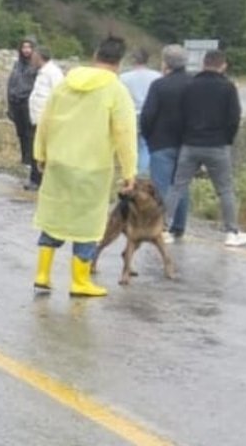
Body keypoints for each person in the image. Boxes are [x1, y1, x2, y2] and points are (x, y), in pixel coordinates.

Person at [32, 36, 138, 298]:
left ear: (95, 54)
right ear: (119, 62)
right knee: (88, 224)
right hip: (93, 167)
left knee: (54, 217)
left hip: (59, 162)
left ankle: (42, 275)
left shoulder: (66, 83)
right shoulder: (116, 90)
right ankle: (79, 281)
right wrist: (129, 171)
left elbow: (46, 119)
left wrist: (40, 153)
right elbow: (124, 132)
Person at [159, 50, 246, 247]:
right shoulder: (227, 87)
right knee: (224, 189)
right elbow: (234, 117)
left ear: (203, 64)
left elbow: (179, 115)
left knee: (177, 186)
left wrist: (184, 137)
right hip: (217, 144)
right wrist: (227, 140)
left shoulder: (189, 86)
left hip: (190, 144)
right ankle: (232, 233)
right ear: (222, 65)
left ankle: (163, 228)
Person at [141, 45, 191, 242]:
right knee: (181, 184)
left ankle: (162, 224)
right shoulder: (194, 84)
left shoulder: (159, 85)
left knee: (161, 185)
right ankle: (179, 225)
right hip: (187, 142)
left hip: (161, 141)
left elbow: (148, 115)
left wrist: (148, 136)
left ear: (165, 63)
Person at [26, 46, 64, 190]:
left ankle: (39, 180)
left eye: (34, 56)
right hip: (36, 119)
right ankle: (34, 178)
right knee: (35, 149)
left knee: (41, 151)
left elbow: (59, 95)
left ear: (39, 57)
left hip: (46, 120)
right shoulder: (41, 72)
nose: (31, 59)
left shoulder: (53, 73)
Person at [119, 48, 161, 176]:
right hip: (149, 113)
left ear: (133, 60)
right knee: (145, 145)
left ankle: (128, 172)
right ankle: (142, 174)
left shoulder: (123, 77)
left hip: (130, 114)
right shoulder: (157, 76)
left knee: (129, 145)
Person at [7, 39, 38, 170]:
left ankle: (30, 160)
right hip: (15, 101)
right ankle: (23, 158)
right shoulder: (17, 65)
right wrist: (9, 105)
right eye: (24, 47)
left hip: (28, 102)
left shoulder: (36, 66)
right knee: (20, 132)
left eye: (29, 47)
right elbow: (10, 83)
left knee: (29, 132)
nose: (26, 50)